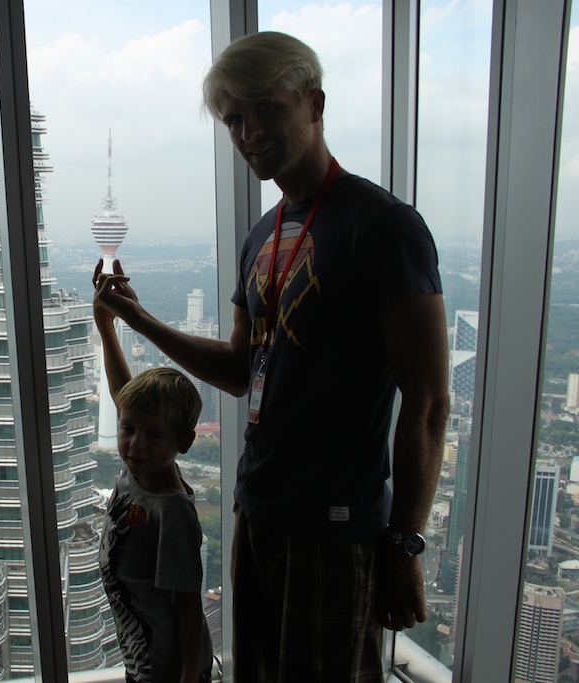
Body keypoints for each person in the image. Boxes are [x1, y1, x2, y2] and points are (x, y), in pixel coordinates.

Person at [93, 30, 450, 681]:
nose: (249, 130)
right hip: (260, 511)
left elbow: (427, 402)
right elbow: (238, 366)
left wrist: (403, 544)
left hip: (336, 525)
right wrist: (136, 317)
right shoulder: (264, 234)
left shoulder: (383, 228)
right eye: (234, 118)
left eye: (266, 108)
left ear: (313, 104)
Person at [93, 291, 214, 683]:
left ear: (184, 442)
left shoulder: (171, 511)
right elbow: (121, 393)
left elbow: (187, 603)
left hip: (166, 667)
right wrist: (106, 327)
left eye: (154, 435)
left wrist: (188, 677)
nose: (135, 443)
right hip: (141, 656)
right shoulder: (138, 470)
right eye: (128, 429)